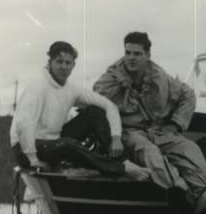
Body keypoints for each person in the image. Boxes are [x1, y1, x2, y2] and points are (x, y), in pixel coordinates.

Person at [94, 31, 206, 211]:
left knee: (189, 148)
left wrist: (175, 124)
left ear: (148, 55)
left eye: (137, 54)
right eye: (128, 52)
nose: (131, 58)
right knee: (149, 152)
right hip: (131, 131)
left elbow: (188, 95)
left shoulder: (160, 76)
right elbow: (95, 100)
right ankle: (180, 192)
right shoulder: (111, 77)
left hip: (159, 130)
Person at [10, 41, 145, 179]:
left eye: (68, 63)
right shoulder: (38, 86)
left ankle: (124, 161)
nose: (63, 67)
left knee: (94, 113)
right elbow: (23, 125)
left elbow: (109, 106)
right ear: (50, 62)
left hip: (54, 142)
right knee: (68, 144)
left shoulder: (71, 89)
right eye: (59, 62)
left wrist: (116, 138)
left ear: (73, 65)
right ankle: (121, 169)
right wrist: (34, 161)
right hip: (26, 149)